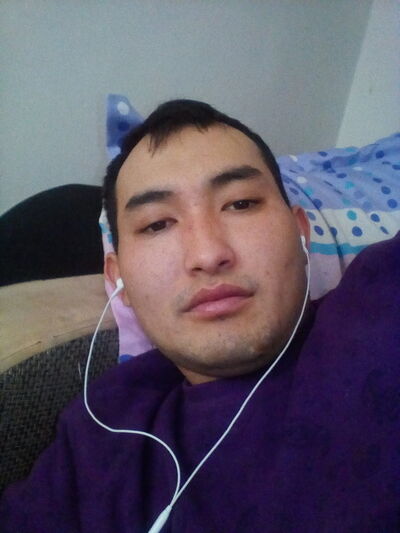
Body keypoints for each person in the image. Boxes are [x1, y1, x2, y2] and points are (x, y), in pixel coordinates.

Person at [1, 100, 399, 532]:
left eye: (241, 203)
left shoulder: (380, 302)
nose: (208, 255)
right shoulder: (99, 432)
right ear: (119, 279)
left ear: (300, 232)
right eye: (156, 224)